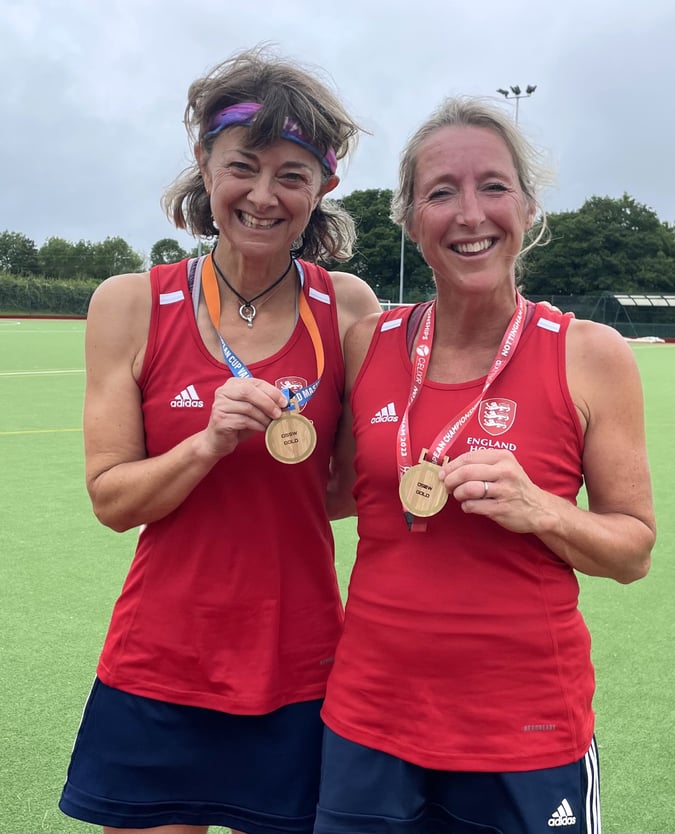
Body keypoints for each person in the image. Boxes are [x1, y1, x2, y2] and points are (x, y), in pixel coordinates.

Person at [58, 47, 380, 834]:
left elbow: (348, 486)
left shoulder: (346, 308)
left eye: (292, 176)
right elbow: (111, 500)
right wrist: (206, 445)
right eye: (243, 166)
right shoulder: (131, 304)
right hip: (160, 664)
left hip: (300, 666)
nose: (264, 196)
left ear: (323, 188)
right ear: (205, 165)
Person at [315, 96, 656, 834]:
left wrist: (543, 509)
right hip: (368, 725)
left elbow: (633, 550)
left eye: (494, 186)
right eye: (442, 192)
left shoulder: (591, 354)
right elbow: (334, 493)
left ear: (528, 208)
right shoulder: (368, 342)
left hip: (526, 735)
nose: (470, 213)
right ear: (411, 220)